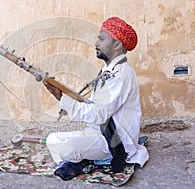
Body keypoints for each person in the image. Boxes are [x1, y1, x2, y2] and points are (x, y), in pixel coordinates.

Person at [44, 17, 149, 181]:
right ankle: (85, 157)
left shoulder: (120, 74)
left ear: (117, 44)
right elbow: (95, 105)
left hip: (114, 141)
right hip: (98, 132)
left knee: (67, 149)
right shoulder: (108, 70)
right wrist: (69, 102)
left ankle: (90, 158)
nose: (96, 43)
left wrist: (61, 97)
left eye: (101, 38)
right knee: (52, 140)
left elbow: (99, 114)